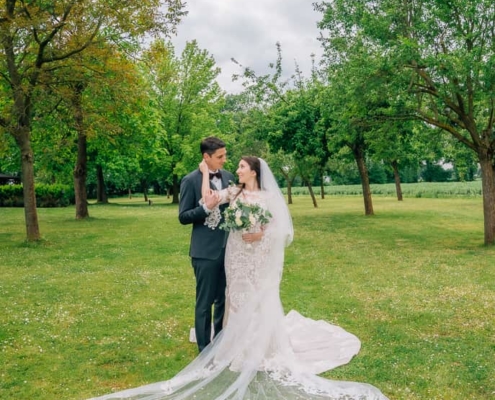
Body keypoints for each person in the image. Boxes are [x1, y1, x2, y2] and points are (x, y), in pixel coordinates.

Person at [86, 155, 389, 400]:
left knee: (259, 296)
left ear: (254, 171)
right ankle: (234, 345)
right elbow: (208, 199)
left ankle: (263, 346)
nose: (237, 170)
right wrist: (204, 172)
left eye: (242, 167)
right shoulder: (234, 191)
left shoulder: (268, 196)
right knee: (237, 296)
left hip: (257, 253)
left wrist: (260, 233)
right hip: (236, 254)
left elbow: (280, 228)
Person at [178, 136, 235, 353]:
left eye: (225, 155)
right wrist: (204, 209)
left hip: (228, 248)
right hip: (204, 252)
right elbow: (183, 216)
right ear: (206, 157)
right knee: (205, 303)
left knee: (223, 299)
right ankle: (204, 349)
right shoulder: (190, 180)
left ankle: (220, 342)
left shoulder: (229, 177)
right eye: (220, 156)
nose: (224, 159)